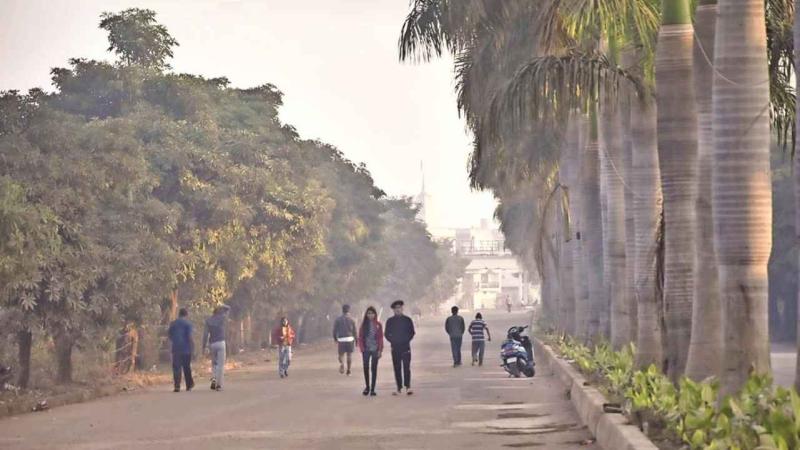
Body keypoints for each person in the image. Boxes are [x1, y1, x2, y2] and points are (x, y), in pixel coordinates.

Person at [384, 300, 415, 396]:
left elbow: (412, 332)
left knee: (406, 367)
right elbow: (386, 334)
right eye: (396, 308)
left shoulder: (407, 320)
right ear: (393, 310)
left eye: (399, 308)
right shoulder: (390, 321)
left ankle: (408, 386)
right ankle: (399, 388)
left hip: (405, 347)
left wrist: (406, 340)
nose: (398, 310)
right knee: (397, 368)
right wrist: (393, 340)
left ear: (402, 309)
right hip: (395, 347)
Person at [202, 304, 230, 391]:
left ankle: (214, 380)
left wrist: (204, 346)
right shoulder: (222, 318)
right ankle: (219, 385)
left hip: (212, 344)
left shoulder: (208, 320)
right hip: (221, 343)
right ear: (220, 312)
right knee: (221, 365)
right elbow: (228, 308)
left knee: (214, 364)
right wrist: (222, 306)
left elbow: (205, 334)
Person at [357, 306, 383, 396]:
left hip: (375, 349)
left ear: (375, 314)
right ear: (366, 315)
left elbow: (380, 338)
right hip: (366, 350)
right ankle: (367, 387)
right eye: (368, 313)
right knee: (366, 367)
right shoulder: (363, 325)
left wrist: (380, 350)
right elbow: (360, 337)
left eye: (372, 313)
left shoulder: (378, 325)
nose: (370, 315)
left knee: (374, 368)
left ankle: (372, 389)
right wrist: (362, 348)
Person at [168, 308, 195, 392]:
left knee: (176, 367)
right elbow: (190, 336)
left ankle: (177, 386)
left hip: (176, 348)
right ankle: (189, 385)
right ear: (186, 315)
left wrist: (174, 341)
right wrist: (192, 346)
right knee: (186, 367)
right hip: (186, 348)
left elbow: (169, 335)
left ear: (179, 314)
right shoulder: (188, 324)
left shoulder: (173, 323)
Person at [332, 304, 358, 375]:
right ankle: (349, 370)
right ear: (349, 310)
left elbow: (334, 330)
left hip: (341, 339)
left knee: (341, 355)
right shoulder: (352, 319)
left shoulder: (338, 319)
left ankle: (342, 364)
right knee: (349, 355)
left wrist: (335, 338)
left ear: (342, 310)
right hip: (350, 339)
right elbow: (355, 331)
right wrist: (356, 340)